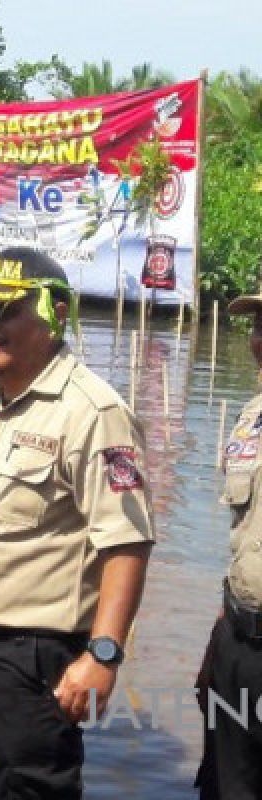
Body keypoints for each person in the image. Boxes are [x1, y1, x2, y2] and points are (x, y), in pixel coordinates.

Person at [0, 247, 154, 799]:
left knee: (30, 787)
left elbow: (127, 544)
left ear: (54, 314)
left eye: (5, 312)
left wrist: (103, 656)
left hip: (33, 654)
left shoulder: (92, 411)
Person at [197, 290, 262, 797]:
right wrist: (218, 641)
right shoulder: (251, 417)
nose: (260, 340)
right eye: (258, 326)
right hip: (239, 640)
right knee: (226, 787)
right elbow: (243, 539)